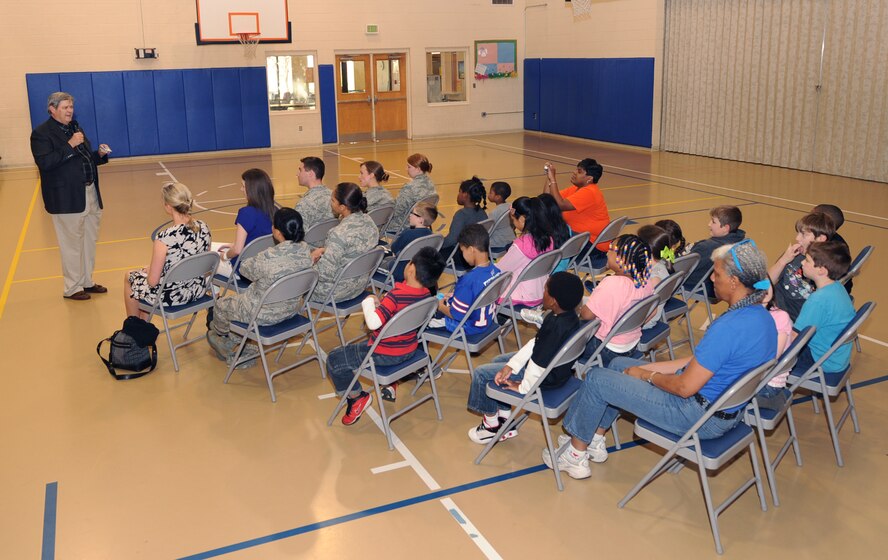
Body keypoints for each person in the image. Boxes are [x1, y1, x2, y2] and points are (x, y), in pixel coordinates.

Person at [544, 239, 776, 479]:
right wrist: (644, 368)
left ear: (734, 281)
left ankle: (574, 456)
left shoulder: (728, 327)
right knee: (617, 364)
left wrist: (647, 375)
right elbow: (699, 362)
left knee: (596, 378)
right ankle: (594, 437)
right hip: (720, 411)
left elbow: (685, 387)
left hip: (695, 416)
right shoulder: (762, 319)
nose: (711, 279)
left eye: (716, 274)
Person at [327, 247, 445, 425]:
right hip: (410, 349)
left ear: (411, 269)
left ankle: (356, 397)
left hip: (385, 354)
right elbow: (400, 316)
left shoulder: (396, 295)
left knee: (334, 359)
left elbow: (373, 323)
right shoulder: (428, 296)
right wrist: (380, 304)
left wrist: (368, 301)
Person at [467, 272, 584, 444]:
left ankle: (491, 426)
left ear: (553, 301)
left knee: (481, 374)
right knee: (498, 362)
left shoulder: (555, 327)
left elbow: (538, 363)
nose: (542, 291)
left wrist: (523, 387)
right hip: (556, 372)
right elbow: (536, 343)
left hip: (542, 378)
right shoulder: (568, 317)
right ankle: (505, 418)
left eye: (545, 289)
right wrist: (511, 366)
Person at [30, 91, 112, 301]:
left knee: (89, 241)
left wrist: (100, 156)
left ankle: (86, 281)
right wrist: (70, 144)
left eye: (71, 107)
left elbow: (84, 158)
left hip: (89, 192)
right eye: (65, 107)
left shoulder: (75, 128)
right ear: (52, 109)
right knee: (71, 245)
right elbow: (46, 163)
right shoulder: (41, 134)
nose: (70, 111)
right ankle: (72, 288)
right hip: (66, 198)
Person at [207, 208, 313, 368]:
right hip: (292, 308)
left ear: (277, 232)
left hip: (261, 314)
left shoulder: (268, 256)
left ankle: (222, 338)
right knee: (244, 306)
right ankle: (242, 345)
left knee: (222, 306)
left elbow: (244, 269)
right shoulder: (306, 250)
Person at [124, 182, 211, 319]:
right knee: (145, 282)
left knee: (130, 277)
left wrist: (152, 271)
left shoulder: (164, 238)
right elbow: (204, 265)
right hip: (197, 290)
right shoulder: (204, 227)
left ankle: (134, 328)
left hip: (172, 296)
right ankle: (142, 326)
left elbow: (152, 282)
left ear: (168, 207)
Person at [578, 234, 655, 367]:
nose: (607, 253)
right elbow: (652, 312)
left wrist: (578, 309)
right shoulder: (646, 281)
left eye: (611, 250)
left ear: (623, 259)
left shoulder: (613, 283)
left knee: (563, 330)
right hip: (631, 344)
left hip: (605, 348)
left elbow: (586, 315)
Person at [789, 240, 855, 378]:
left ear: (821, 270)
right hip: (836, 357)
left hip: (820, 360)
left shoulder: (818, 300)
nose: (802, 263)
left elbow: (794, 340)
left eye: (807, 260)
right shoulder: (837, 287)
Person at [310, 182, 379, 303]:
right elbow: (353, 250)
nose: (330, 203)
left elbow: (325, 273)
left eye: (332, 200)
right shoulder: (370, 222)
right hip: (360, 284)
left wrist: (309, 263)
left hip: (335, 292)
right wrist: (326, 251)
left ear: (342, 207)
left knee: (296, 282)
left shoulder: (338, 233)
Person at [433, 224, 501, 335]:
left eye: (462, 250)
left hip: (467, 326)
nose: (462, 254)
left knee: (423, 320)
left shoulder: (468, 280)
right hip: (486, 321)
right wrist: (455, 296)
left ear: (471, 250)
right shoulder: (496, 271)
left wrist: (440, 306)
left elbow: (456, 315)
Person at [768, 212, 835, 321]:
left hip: (790, 317)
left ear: (821, 238)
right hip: (772, 304)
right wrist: (783, 260)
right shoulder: (795, 254)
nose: (797, 238)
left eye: (804, 234)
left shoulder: (825, 269)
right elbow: (768, 281)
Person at [542, 158, 611, 263]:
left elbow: (560, 205)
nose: (574, 172)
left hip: (592, 247)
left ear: (589, 178)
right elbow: (547, 198)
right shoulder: (576, 189)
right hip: (580, 239)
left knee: (544, 243)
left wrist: (553, 179)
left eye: (579, 171)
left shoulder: (589, 192)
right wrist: (549, 177)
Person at [212, 168, 276, 278]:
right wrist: (233, 245)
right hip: (265, 266)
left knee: (205, 259)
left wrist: (225, 256)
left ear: (252, 189)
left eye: (243, 186)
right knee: (215, 247)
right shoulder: (275, 211)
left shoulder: (246, 213)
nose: (241, 189)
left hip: (243, 269)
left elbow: (237, 250)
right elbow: (257, 240)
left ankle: (215, 294)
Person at [496, 196, 553, 308]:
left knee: (484, 288)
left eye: (513, 220)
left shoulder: (520, 246)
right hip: (542, 291)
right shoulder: (548, 239)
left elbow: (500, 270)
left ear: (522, 219)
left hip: (521, 295)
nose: (513, 223)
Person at [682, 206, 746, 296]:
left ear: (725, 228)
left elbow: (682, 268)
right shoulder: (740, 241)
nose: (709, 224)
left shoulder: (707, 247)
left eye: (713, 222)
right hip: (719, 284)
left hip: (700, 285)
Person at [754, 285, 796, 411]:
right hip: (762, 378)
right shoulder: (774, 313)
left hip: (767, 384)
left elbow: (771, 358)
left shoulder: (779, 317)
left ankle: (769, 400)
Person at [439, 176, 488, 265]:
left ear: (465, 195)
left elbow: (451, 240)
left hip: (463, 258)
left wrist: (438, 245)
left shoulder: (461, 215)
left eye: (460, 192)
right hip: (479, 255)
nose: (458, 195)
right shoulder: (482, 213)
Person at [387, 201, 438, 283]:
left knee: (379, 262)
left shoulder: (408, 233)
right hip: (420, 271)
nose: (410, 215)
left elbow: (394, 248)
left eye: (413, 213)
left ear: (420, 220)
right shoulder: (432, 236)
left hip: (401, 271)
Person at [812, 203, 853, 294]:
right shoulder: (839, 242)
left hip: (825, 293)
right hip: (839, 290)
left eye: (811, 217)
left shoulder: (824, 250)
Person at [390, 153, 436, 234]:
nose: (406, 169)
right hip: (424, 221)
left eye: (409, 167)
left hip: (405, 224)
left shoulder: (410, 187)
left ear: (418, 169)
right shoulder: (430, 183)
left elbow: (396, 211)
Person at [295, 156, 334, 229]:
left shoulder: (304, 204)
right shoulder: (335, 197)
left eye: (300, 170)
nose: (297, 174)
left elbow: (298, 234)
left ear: (311, 174)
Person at [487, 181, 516, 252]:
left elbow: (487, 230)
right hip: (511, 240)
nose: (488, 194)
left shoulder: (495, 212)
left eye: (491, 193)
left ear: (497, 197)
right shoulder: (511, 206)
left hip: (497, 244)